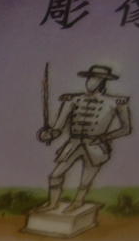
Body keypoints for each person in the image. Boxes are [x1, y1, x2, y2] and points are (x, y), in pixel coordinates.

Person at [37, 64, 132, 211]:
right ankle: (53, 204)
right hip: (73, 143)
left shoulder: (116, 102)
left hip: (96, 146)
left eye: (95, 78)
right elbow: (58, 128)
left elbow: (126, 129)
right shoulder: (72, 100)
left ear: (102, 81)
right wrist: (48, 135)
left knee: (86, 179)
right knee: (55, 175)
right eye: (90, 78)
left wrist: (104, 137)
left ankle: (78, 202)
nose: (91, 81)